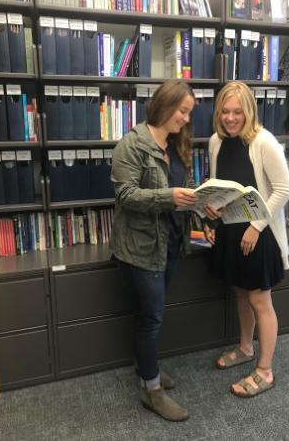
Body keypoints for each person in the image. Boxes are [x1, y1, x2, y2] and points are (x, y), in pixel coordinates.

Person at [110, 80, 197, 421]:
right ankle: (151, 389)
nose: (186, 119)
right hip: (140, 249)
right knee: (151, 317)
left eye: (189, 113)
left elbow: (184, 187)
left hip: (171, 244)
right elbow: (126, 196)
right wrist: (171, 197)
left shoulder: (176, 144)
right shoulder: (131, 145)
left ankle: (147, 369)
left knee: (149, 315)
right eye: (182, 111)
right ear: (164, 105)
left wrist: (201, 202)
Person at [203, 81, 289, 398]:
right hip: (231, 230)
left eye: (237, 112)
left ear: (249, 111)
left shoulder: (263, 142)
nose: (230, 118)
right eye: (225, 111)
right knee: (240, 294)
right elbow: (218, 185)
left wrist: (255, 226)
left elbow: (284, 189)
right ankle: (245, 348)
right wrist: (210, 212)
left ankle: (265, 371)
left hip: (259, 233)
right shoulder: (215, 141)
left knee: (259, 300)